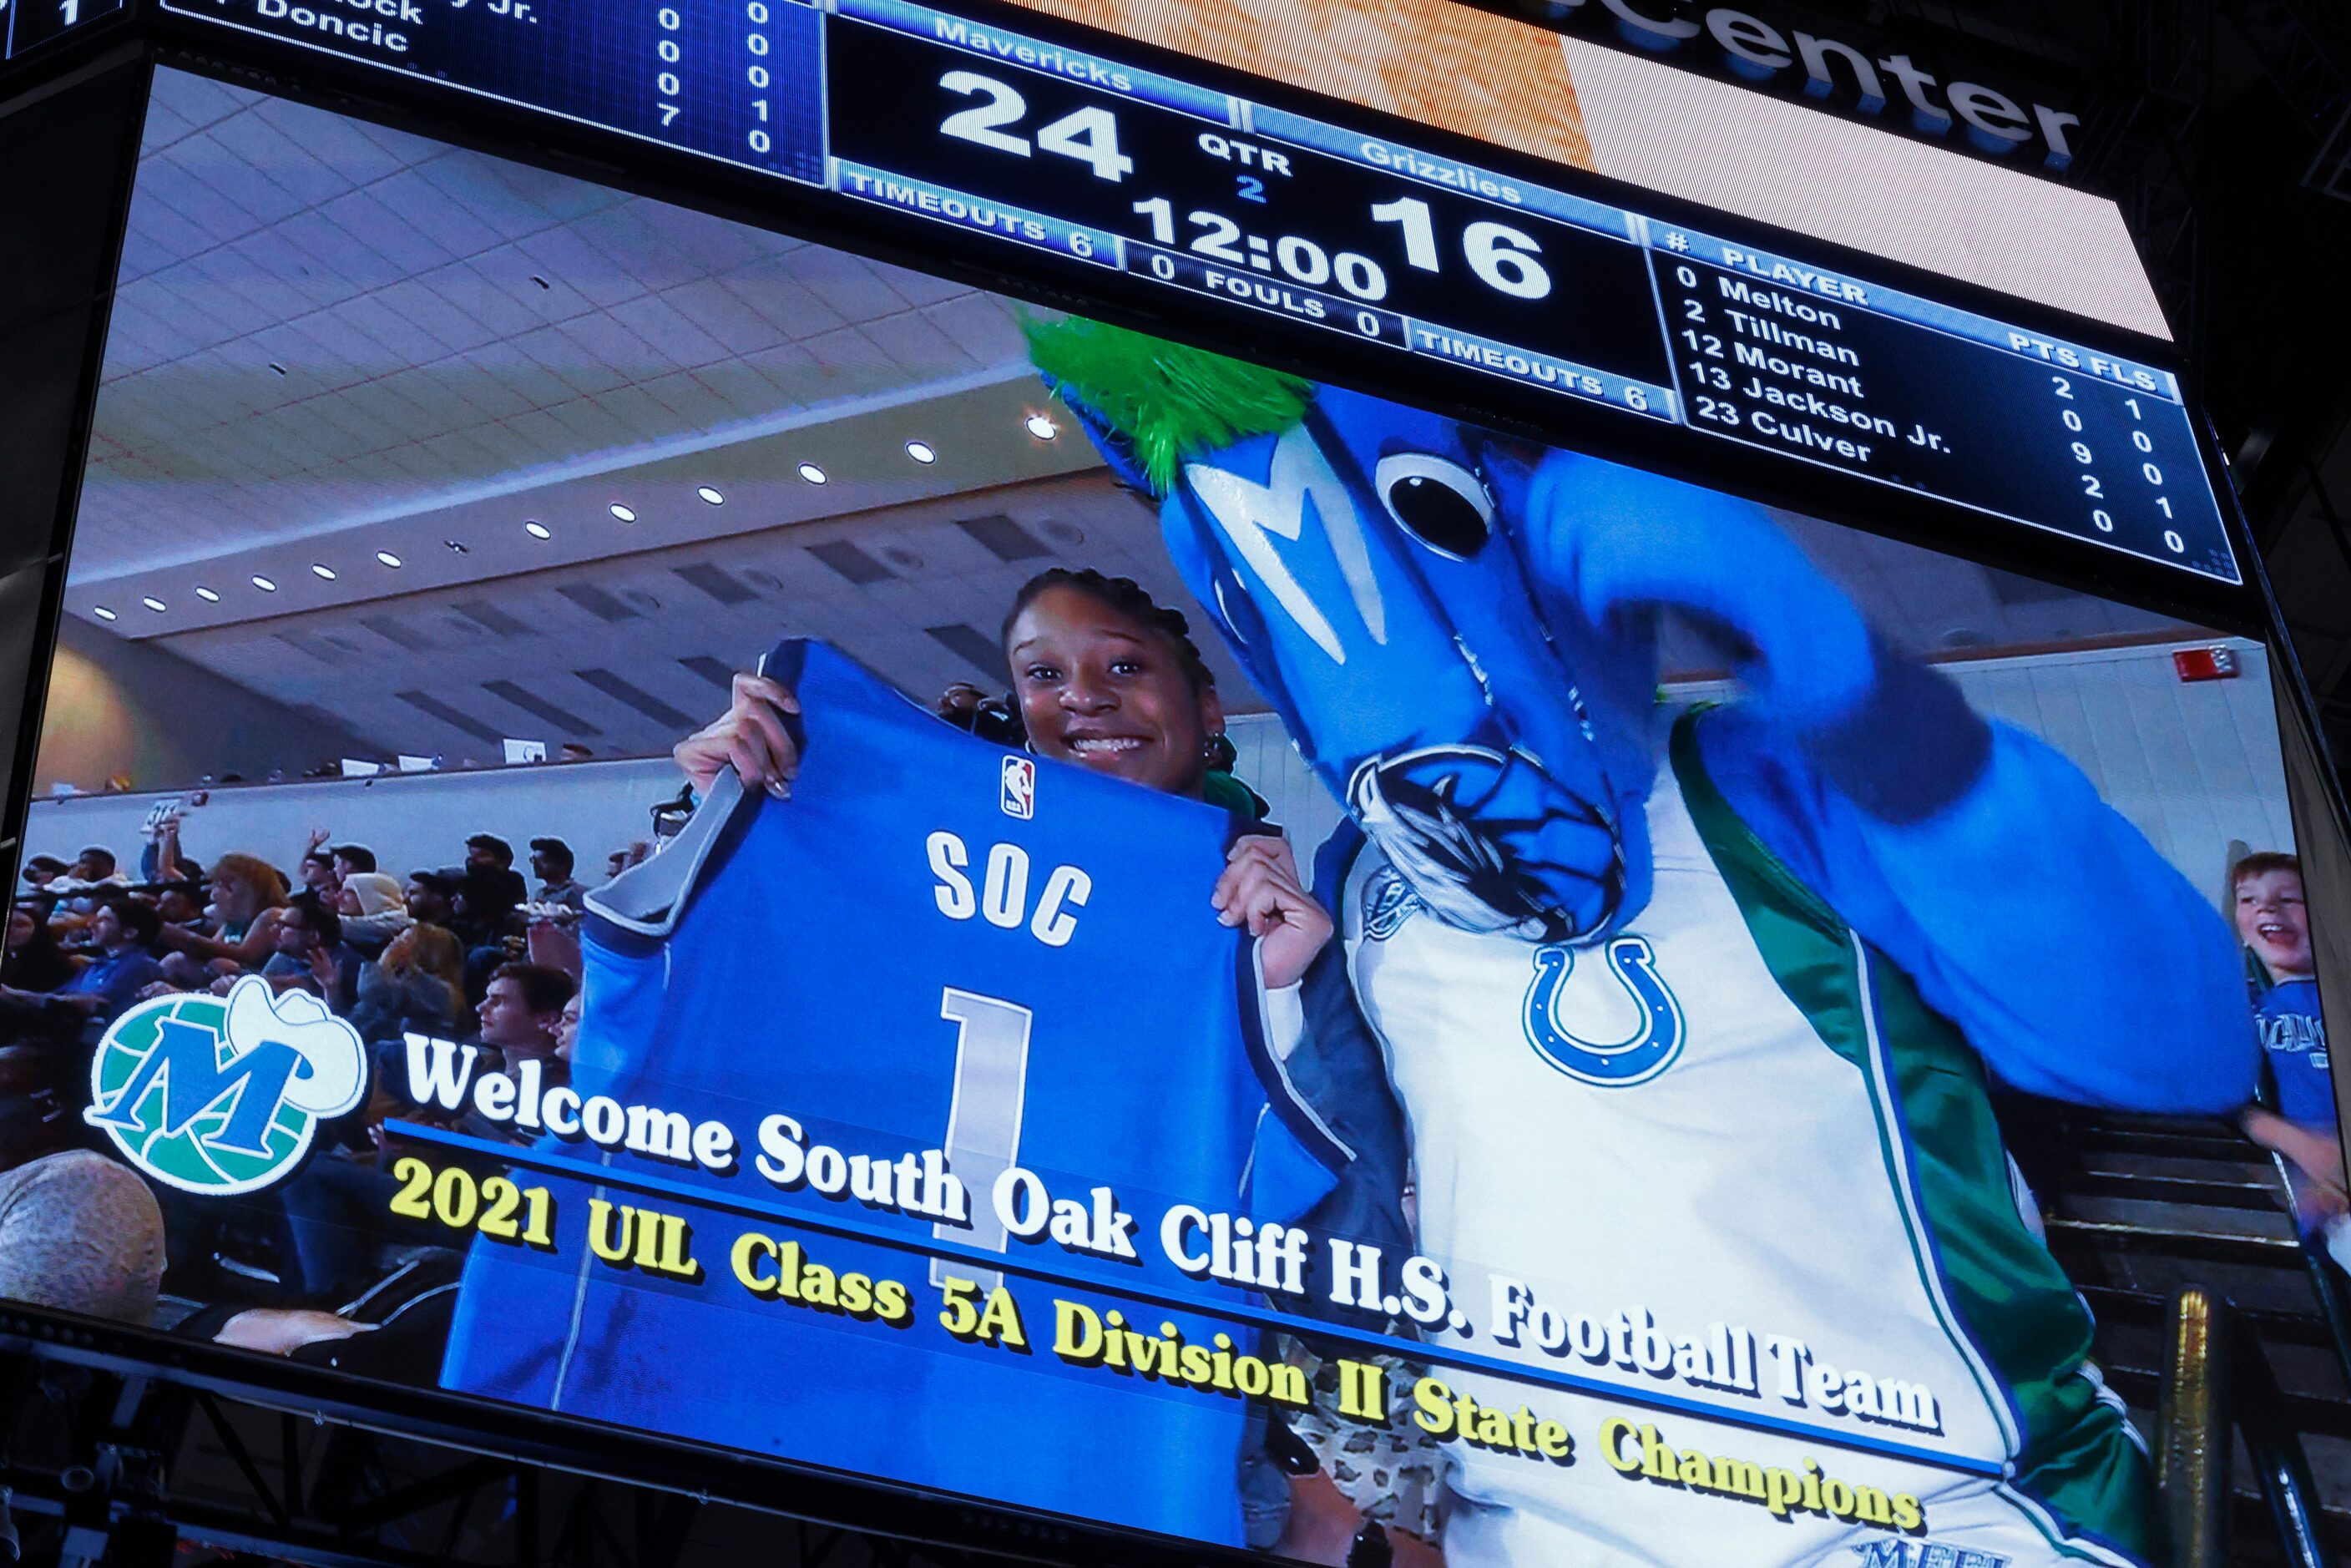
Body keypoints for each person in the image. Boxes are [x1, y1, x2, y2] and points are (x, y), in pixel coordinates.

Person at [1027, 318, 2259, 1568]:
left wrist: (1868, 701)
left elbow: (2179, 1045)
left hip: (1933, 1518)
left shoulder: (1772, 783)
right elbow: (1336, 1198)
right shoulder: (1358, 875)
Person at [669, 569, 1414, 1558]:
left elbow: (1351, 1293)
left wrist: (1277, 1000)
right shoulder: (892, 885)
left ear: (1205, 708)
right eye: (1043, 674)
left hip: (1121, 1469)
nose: (1084, 696)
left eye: (1121, 665)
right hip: (849, 1436)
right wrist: (728, 846)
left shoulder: (1278, 930)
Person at [2233, 852, 2343, 1236]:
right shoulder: (2248, 1013)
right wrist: (2300, 1144)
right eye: (2249, 900)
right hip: (2332, 1205)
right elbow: (2232, 1105)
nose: (2267, 908)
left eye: (2289, 899)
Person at [155, 852, 287, 976]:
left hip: (255, 983)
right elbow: (212, 949)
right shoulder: (235, 921)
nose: (213, 894)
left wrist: (176, 933)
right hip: (229, 980)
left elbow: (243, 955)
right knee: (176, 961)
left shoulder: (272, 915)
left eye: (219, 884)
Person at [39, 900, 167, 1023]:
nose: (91, 925)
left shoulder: (143, 966)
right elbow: (60, 994)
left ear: (130, 932)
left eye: (104, 920)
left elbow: (101, 1005)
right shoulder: (97, 964)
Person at [347, 923, 467, 1047]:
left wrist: (385, 960)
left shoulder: (441, 992)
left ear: (425, 952)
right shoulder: (396, 980)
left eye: (404, 940)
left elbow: (370, 990)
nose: (395, 941)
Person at [262, 894, 363, 1014]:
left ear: (313, 936)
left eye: (283, 926)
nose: (273, 930)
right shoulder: (286, 955)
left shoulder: (344, 964)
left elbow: (288, 987)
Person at [335, 871, 412, 957]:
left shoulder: (410, 936)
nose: (338, 896)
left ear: (373, 898)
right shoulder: (339, 931)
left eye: (348, 892)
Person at [3, 906, 78, 993]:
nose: (10, 930)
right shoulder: (9, 959)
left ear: (38, 930)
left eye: (20, 925)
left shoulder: (56, 966)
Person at [528, 837, 587, 912]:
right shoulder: (540, 893)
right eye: (534, 860)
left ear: (562, 865)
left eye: (545, 860)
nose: (536, 865)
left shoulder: (575, 892)